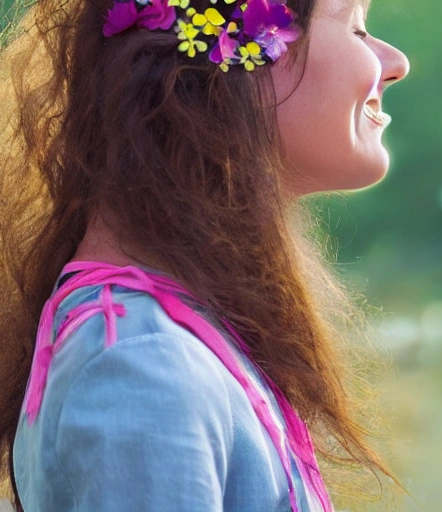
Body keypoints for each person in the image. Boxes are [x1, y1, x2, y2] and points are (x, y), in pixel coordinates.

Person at [0, 0, 410, 509]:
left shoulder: (158, 338)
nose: (396, 63)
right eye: (358, 28)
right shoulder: (143, 362)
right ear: (247, 55)